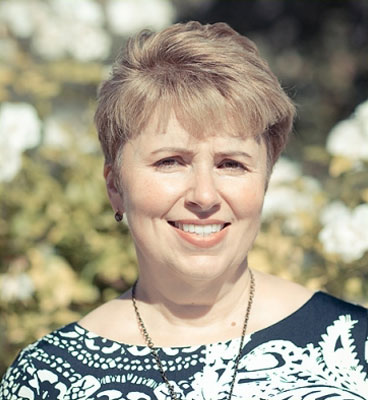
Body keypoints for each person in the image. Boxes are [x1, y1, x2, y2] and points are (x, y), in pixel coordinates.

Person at [1, 21, 367, 400]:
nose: (205, 196)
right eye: (171, 161)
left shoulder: (360, 349)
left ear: (266, 181)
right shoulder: (45, 380)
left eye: (231, 164)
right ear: (115, 187)